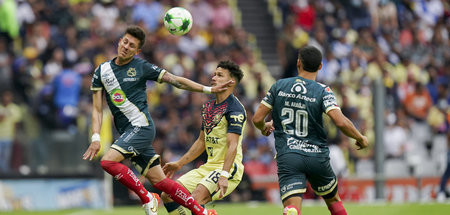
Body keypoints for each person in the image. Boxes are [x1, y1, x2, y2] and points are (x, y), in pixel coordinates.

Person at [82, 25, 231, 215]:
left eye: (132, 45)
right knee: (161, 182)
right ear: (120, 41)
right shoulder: (101, 71)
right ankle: (201, 212)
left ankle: (147, 197)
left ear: (138, 51)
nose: (126, 47)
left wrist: (208, 89)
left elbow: (175, 80)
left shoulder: (141, 67)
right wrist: (96, 137)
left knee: (107, 162)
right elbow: (96, 109)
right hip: (127, 131)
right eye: (125, 42)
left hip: (141, 127)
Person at [252, 46, 369, 215]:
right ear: (320, 66)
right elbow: (340, 121)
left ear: (298, 63)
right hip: (316, 155)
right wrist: (360, 137)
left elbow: (257, 119)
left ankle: (292, 211)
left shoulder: (279, 86)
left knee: (293, 206)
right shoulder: (323, 91)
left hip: (289, 154)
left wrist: (264, 127)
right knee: (334, 201)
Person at [161, 60, 246, 215]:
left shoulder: (235, 109)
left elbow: (232, 145)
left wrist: (224, 175)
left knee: (195, 200)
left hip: (228, 168)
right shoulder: (208, 107)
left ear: (231, 82)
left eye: (219, 75)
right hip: (208, 167)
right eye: (214, 74)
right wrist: (179, 164)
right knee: (167, 195)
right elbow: (201, 141)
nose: (213, 78)